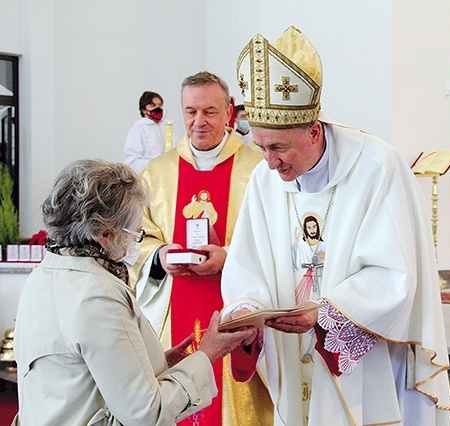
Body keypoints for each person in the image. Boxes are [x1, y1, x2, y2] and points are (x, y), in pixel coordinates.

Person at [222, 26, 450, 425]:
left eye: (278, 147)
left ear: (313, 130)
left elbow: (396, 274)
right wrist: (248, 309)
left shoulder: (378, 167)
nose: (269, 162)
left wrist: (328, 312)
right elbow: (247, 263)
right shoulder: (264, 180)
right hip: (290, 356)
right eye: (260, 146)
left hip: (368, 366)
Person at [11, 159, 256, 425]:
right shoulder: (98, 293)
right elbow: (146, 414)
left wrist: (158, 364)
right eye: (134, 234)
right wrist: (207, 354)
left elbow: (80, 374)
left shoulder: (44, 273)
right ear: (104, 234)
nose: (133, 243)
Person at [129, 72, 271, 425]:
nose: (199, 122)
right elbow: (137, 238)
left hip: (235, 308)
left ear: (229, 112)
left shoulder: (259, 169)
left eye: (209, 111)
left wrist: (230, 259)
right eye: (191, 112)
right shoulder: (155, 173)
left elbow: (278, 242)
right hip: (172, 307)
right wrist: (160, 257)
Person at [124, 91, 166, 173]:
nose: (158, 108)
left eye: (160, 105)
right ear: (144, 110)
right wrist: (158, 164)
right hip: (146, 178)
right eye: (153, 105)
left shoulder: (166, 129)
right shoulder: (137, 130)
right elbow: (132, 161)